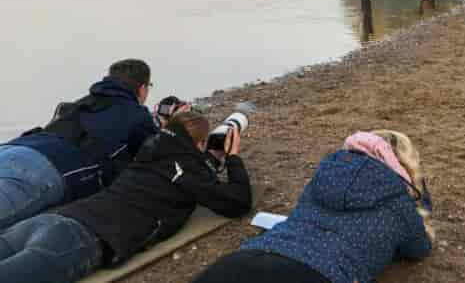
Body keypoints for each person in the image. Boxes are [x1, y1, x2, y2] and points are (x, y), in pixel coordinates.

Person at [0, 111, 252, 283]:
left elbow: (174, 161)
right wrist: (232, 157)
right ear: (199, 144)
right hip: (79, 239)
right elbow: (239, 202)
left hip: (50, 220)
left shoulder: (147, 151)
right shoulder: (190, 174)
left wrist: (204, 160)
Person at [191, 129, 433, 283]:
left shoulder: (322, 179)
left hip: (246, 258)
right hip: (316, 274)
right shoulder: (398, 202)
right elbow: (419, 249)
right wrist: (416, 194)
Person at [0, 59, 159, 229]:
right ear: (142, 88)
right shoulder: (138, 116)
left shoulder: (79, 104)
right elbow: (154, 161)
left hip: (15, 147)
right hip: (43, 166)